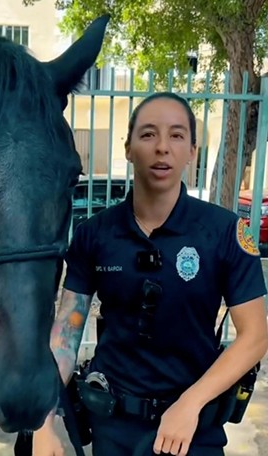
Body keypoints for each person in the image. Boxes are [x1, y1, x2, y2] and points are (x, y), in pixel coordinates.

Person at [33, 92, 268, 456]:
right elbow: (65, 336)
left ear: (192, 151)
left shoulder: (224, 233)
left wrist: (190, 404)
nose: (162, 148)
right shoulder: (94, 234)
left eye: (176, 135)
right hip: (113, 427)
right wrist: (44, 420)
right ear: (128, 148)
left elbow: (255, 336)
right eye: (147, 135)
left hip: (193, 428)